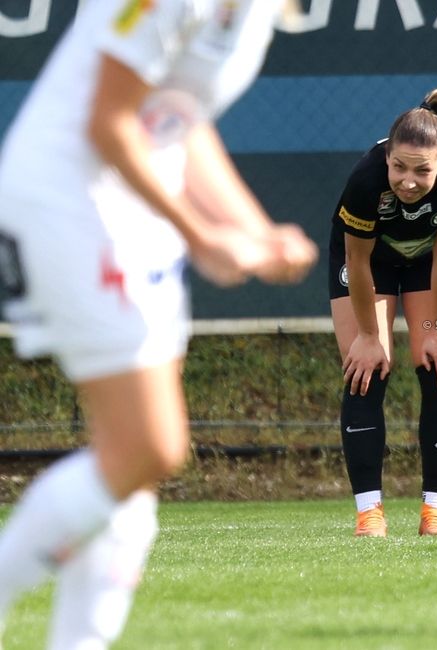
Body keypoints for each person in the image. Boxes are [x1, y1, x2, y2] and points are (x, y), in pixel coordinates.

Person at [0, 0, 318, 646]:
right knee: (151, 445)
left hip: (129, 213)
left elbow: (182, 117)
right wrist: (202, 237)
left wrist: (253, 230)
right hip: (68, 204)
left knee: (131, 468)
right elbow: (108, 123)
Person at [328, 88, 437, 538]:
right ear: (388, 159)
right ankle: (368, 515)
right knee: (366, 367)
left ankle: (435, 514)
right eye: (399, 166)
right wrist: (369, 336)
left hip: (431, 258)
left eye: (422, 170)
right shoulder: (365, 181)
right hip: (368, 260)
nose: (408, 181)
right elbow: (356, 262)